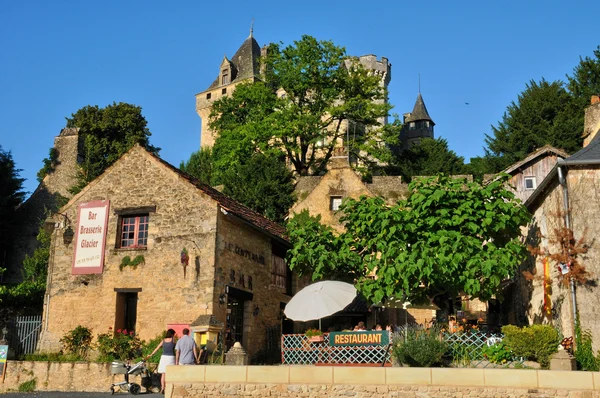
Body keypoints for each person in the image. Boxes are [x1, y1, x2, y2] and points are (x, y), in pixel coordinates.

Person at [146, 328, 176, 394]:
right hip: (171, 357)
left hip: (164, 357)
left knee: (163, 374)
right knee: (170, 373)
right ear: (172, 334)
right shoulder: (173, 340)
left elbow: (157, 348)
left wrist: (151, 354)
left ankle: (162, 388)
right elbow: (177, 348)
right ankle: (169, 388)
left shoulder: (163, 340)